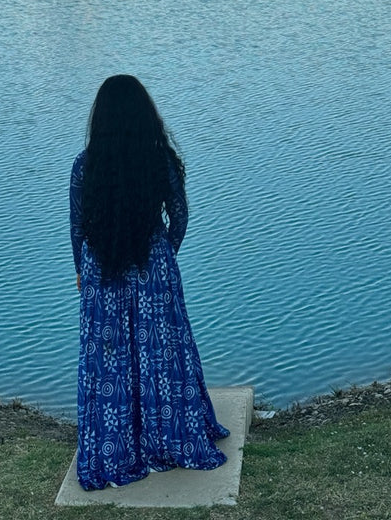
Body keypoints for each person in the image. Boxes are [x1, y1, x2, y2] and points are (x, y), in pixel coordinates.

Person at [69, 74, 229, 491]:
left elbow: (77, 227)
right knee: (161, 356)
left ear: (100, 119)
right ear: (146, 116)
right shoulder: (160, 161)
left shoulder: (85, 166)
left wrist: (82, 274)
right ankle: (170, 433)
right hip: (152, 269)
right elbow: (180, 218)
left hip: (102, 272)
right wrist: (163, 256)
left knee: (110, 362)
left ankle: (114, 445)